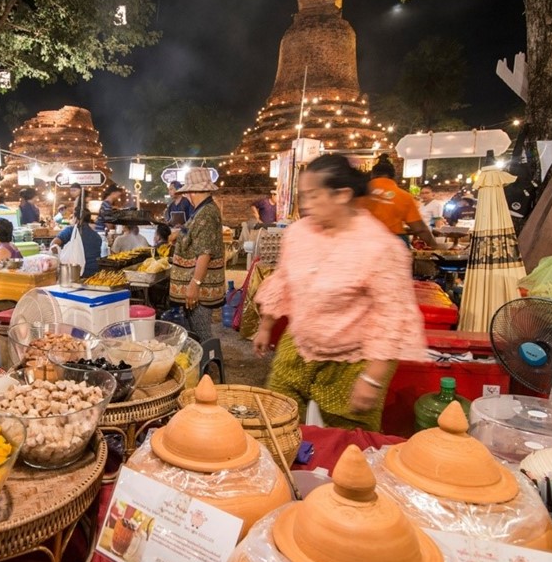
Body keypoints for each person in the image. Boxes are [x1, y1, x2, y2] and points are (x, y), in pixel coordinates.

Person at [252, 154, 427, 432]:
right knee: (277, 423)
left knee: (350, 444)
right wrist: (266, 326)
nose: (305, 205)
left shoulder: (381, 247)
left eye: (313, 196)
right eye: (303, 196)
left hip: (352, 363)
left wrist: (372, 378)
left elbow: (392, 316)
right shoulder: (298, 233)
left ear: (342, 195)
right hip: (298, 347)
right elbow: (283, 279)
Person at [169, 168, 226, 343]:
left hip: (201, 288)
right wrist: (178, 235)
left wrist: (195, 284)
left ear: (192, 192)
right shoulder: (202, 210)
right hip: (197, 284)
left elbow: (205, 252)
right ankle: (202, 367)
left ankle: (209, 367)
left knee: (202, 334)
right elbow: (194, 232)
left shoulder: (207, 213)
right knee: (194, 332)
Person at [356, 154, 438, 247]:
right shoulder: (404, 196)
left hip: (365, 243)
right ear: (393, 177)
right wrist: (435, 247)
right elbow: (419, 229)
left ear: (372, 175)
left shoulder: (360, 194)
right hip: (395, 244)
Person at [50, 211, 102, 278]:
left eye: (73, 217)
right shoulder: (97, 236)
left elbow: (53, 245)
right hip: (94, 275)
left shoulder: (70, 231)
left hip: (75, 274)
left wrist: (62, 254)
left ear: (76, 219)